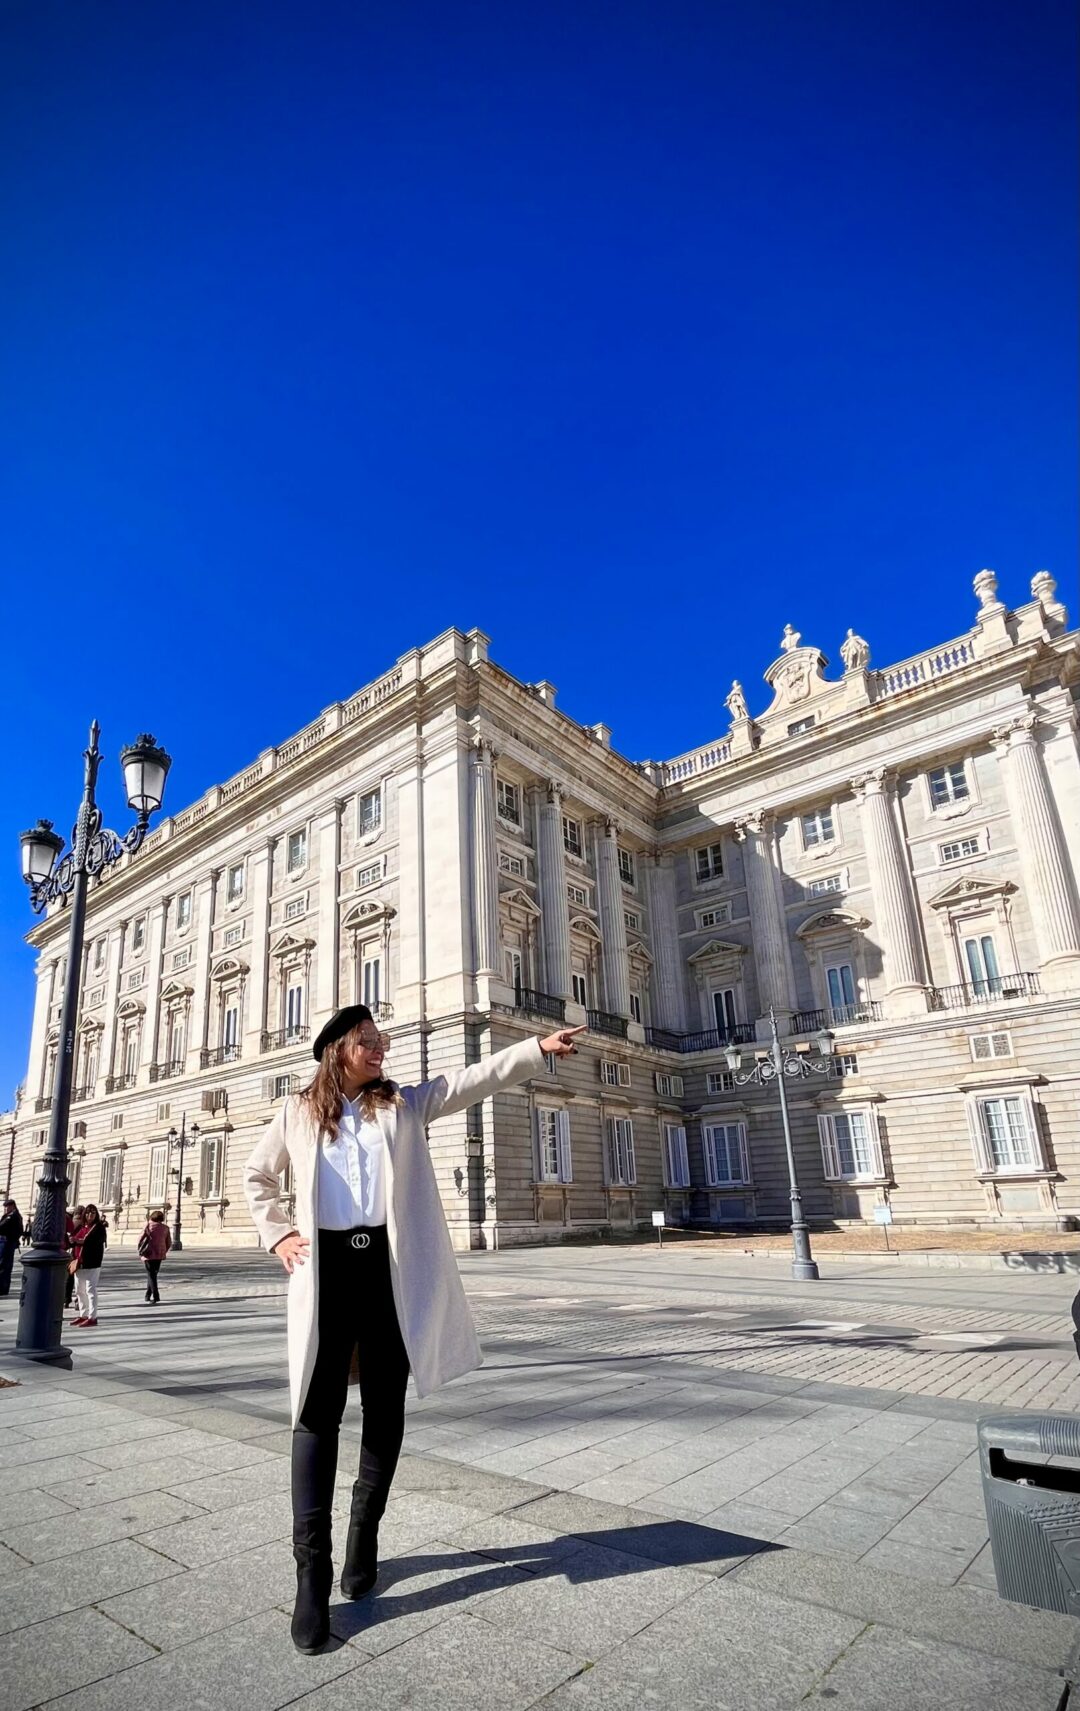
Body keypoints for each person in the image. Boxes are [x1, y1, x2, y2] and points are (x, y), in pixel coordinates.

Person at [244, 1004, 583, 1654]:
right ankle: (310, 1579)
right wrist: (279, 1232)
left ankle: (364, 1529)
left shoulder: (401, 1103)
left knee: (383, 1408)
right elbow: (257, 1174)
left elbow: (470, 1081)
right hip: (326, 1272)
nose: (381, 1047)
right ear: (338, 1049)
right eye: (368, 1041)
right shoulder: (295, 1111)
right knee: (314, 1417)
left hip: (388, 1273)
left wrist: (535, 1049)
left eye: (380, 1039)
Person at [69, 1203, 106, 1326]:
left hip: (92, 1262)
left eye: (93, 1213)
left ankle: (92, 1317)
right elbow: (74, 1239)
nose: (90, 1215)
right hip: (79, 1262)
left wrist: (77, 1241)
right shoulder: (81, 1227)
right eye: (88, 1213)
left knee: (90, 1290)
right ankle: (83, 1314)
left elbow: (91, 1241)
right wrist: (72, 1241)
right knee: (79, 1290)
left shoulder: (98, 1228)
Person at [139, 1209, 172, 1302]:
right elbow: (169, 1242)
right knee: (153, 1274)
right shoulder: (165, 1228)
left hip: (148, 1253)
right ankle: (147, 1295)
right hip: (159, 1254)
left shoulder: (148, 1226)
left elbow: (140, 1239)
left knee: (151, 1274)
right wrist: (164, 1250)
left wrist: (140, 1250)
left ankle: (156, 1296)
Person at [0, 1199, 24, 1295]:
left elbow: (2, 1227)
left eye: (7, 1206)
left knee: (4, 1265)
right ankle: (3, 1287)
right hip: (6, 1242)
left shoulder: (13, 1216)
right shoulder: (9, 1215)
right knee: (4, 1265)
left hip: (7, 1242)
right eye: (5, 1207)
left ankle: (2, 1288)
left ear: (13, 1206)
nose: (6, 1209)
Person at [65, 1207, 86, 1308]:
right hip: (80, 1253)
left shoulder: (71, 1222)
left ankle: (66, 1299)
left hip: (70, 1253)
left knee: (70, 1277)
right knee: (81, 1278)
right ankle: (78, 1300)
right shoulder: (83, 1224)